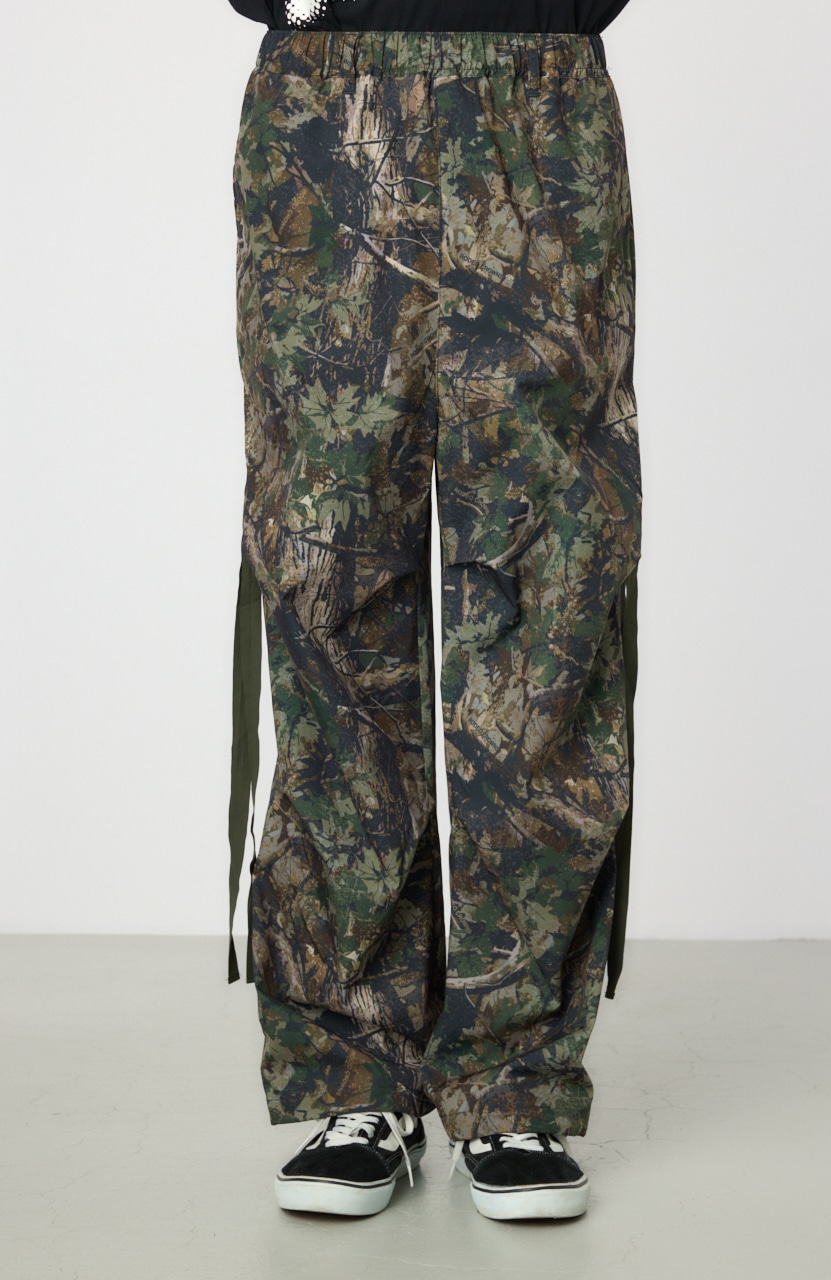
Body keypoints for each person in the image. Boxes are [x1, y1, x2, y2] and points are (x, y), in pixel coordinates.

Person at [226, 0, 640, 1221]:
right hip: (326, 86)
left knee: (546, 587)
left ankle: (515, 1079)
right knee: (329, 571)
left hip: (538, 84)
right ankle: (356, 1067)